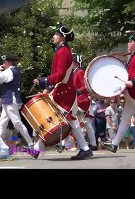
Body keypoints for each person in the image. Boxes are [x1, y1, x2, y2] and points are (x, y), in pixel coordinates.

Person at [30, 22, 92, 160]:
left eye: (56, 34)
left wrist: (43, 81)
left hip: (65, 92)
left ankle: (85, 148)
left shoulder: (63, 52)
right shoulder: (62, 50)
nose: (53, 36)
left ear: (62, 37)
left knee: (66, 119)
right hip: (63, 91)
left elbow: (60, 75)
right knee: (60, 119)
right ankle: (36, 149)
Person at [0, 54, 34, 150]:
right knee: (2, 123)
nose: (3, 64)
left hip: (10, 100)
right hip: (9, 99)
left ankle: (30, 143)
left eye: (4, 62)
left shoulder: (9, 71)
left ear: (8, 62)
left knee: (16, 123)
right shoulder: (14, 71)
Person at [71, 53, 97, 150]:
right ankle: (90, 144)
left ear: (76, 62)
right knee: (81, 123)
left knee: (87, 123)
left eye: (72, 62)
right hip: (77, 101)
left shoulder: (80, 72)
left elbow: (85, 86)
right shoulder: (75, 72)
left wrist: (78, 91)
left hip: (82, 100)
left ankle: (93, 144)